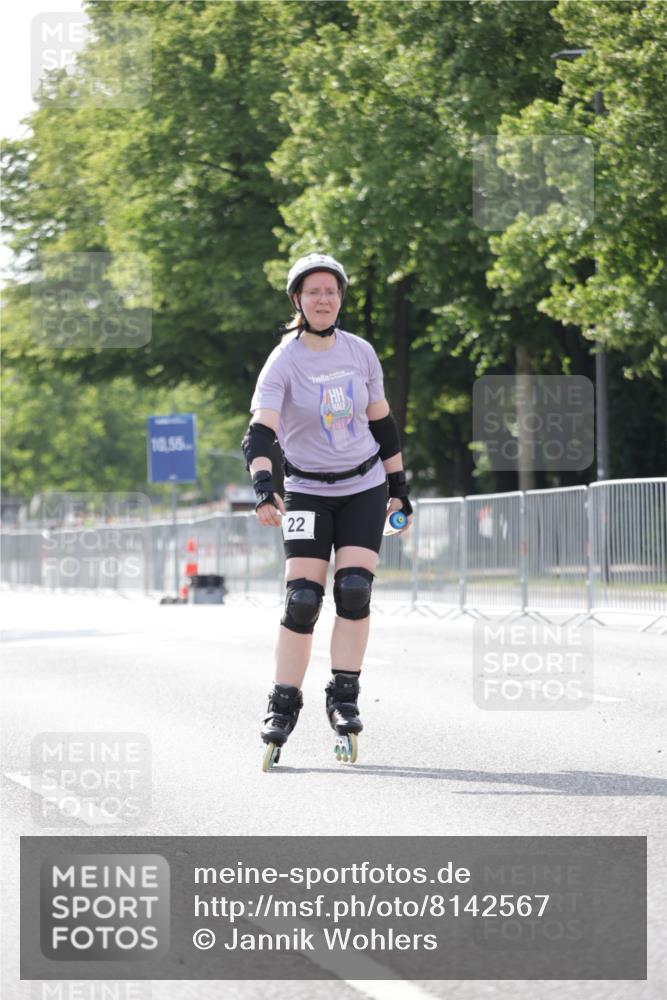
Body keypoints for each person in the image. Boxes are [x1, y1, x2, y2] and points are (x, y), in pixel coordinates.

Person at [241, 252, 413, 771]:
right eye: (313, 292)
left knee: (355, 589)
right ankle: (282, 702)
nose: (323, 300)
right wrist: (265, 486)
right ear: (298, 300)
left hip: (363, 485)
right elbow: (261, 431)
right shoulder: (284, 360)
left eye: (332, 292)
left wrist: (399, 485)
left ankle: (344, 696)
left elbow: (382, 424)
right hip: (307, 492)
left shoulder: (361, 352)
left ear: (340, 299)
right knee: (302, 600)